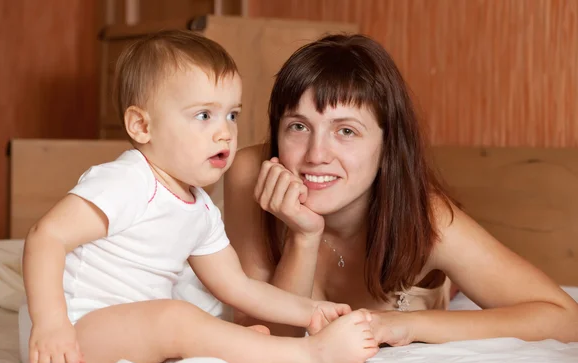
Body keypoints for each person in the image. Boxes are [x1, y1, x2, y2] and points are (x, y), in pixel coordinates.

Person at [19, 30, 379, 363]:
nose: (225, 132)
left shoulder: (201, 209)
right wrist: (51, 324)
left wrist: (312, 311)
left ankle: (234, 347)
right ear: (142, 126)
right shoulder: (128, 180)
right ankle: (307, 356)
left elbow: (240, 288)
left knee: (190, 319)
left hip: (130, 331)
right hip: (75, 330)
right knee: (176, 319)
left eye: (232, 115)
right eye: (204, 115)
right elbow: (45, 237)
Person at [224, 34, 578, 344]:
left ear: (387, 144)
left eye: (346, 131)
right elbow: (267, 335)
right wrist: (302, 237)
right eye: (298, 126)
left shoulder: (430, 220)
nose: (316, 155)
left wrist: (408, 325)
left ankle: (445, 286)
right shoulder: (249, 173)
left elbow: (565, 318)